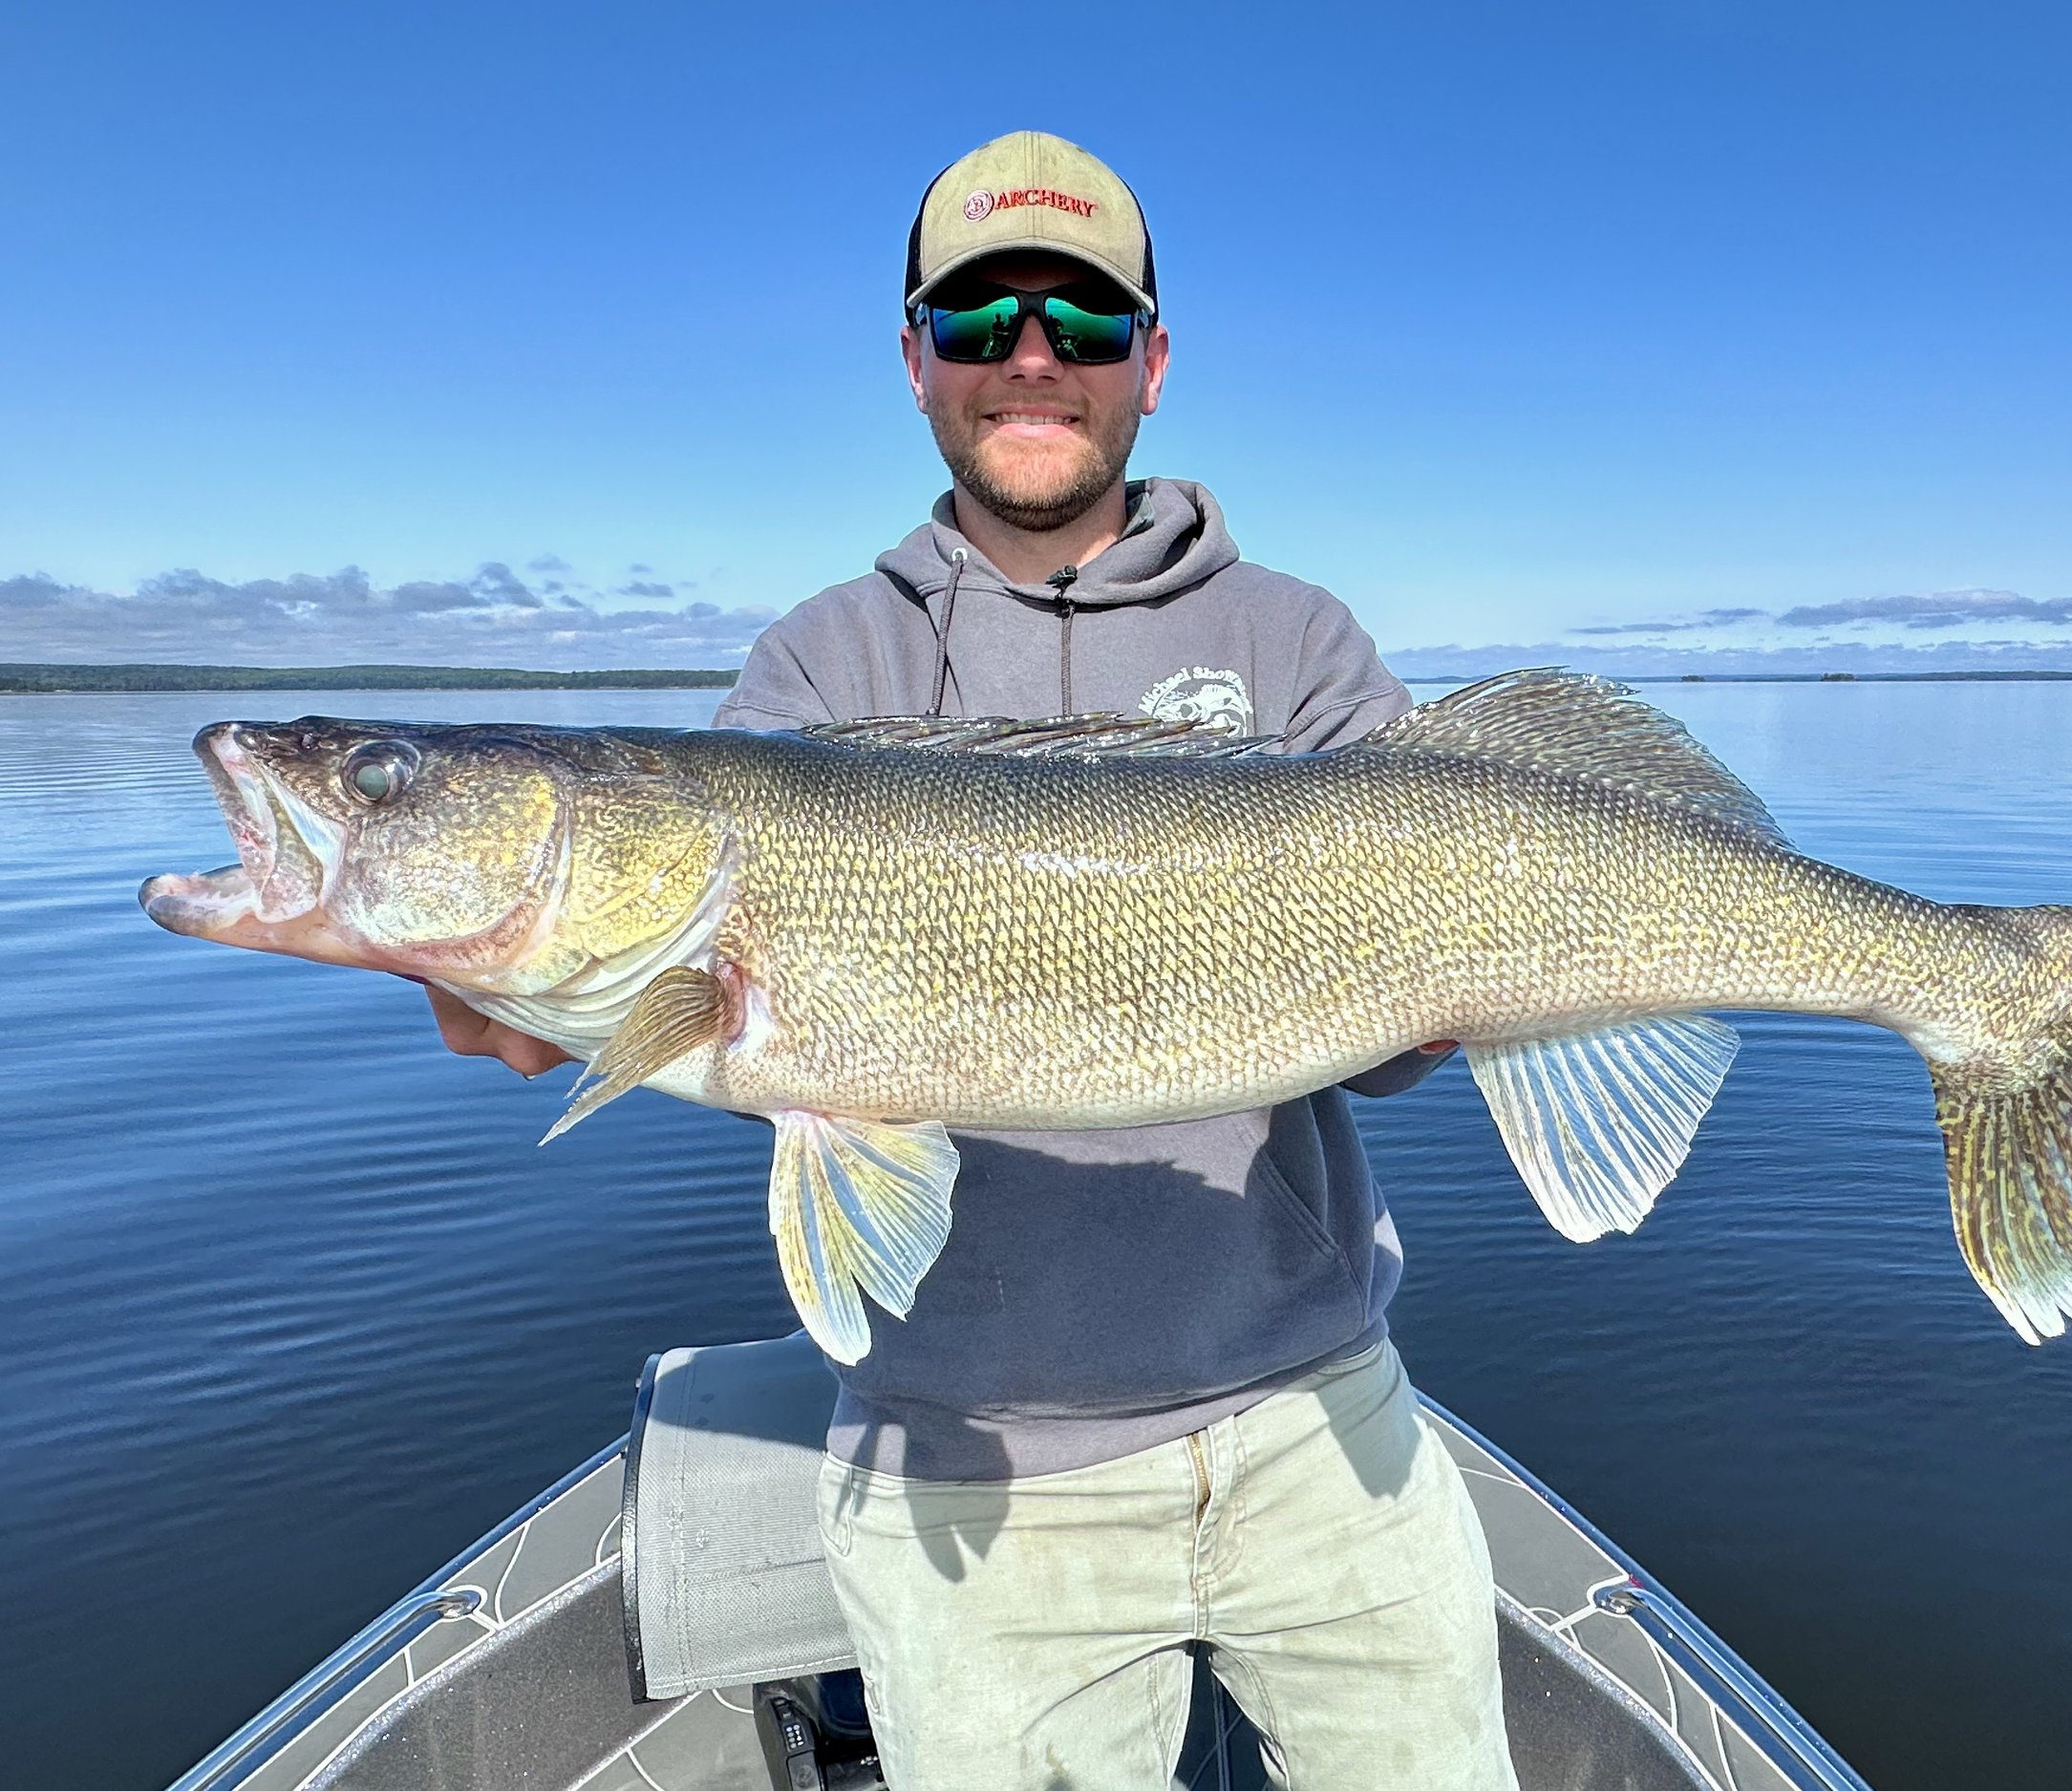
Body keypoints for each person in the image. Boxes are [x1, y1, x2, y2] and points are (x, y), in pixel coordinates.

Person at [426, 131, 1516, 1790]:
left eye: (1081, 324)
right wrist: (558, 1005)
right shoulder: (821, 661)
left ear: (1149, 361)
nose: (1030, 357)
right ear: (914, 358)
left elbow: (1383, 1056)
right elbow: (769, 1054)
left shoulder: (1294, 638)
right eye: (977, 318)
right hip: (971, 1481)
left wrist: (1454, 993)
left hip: (1323, 1429)